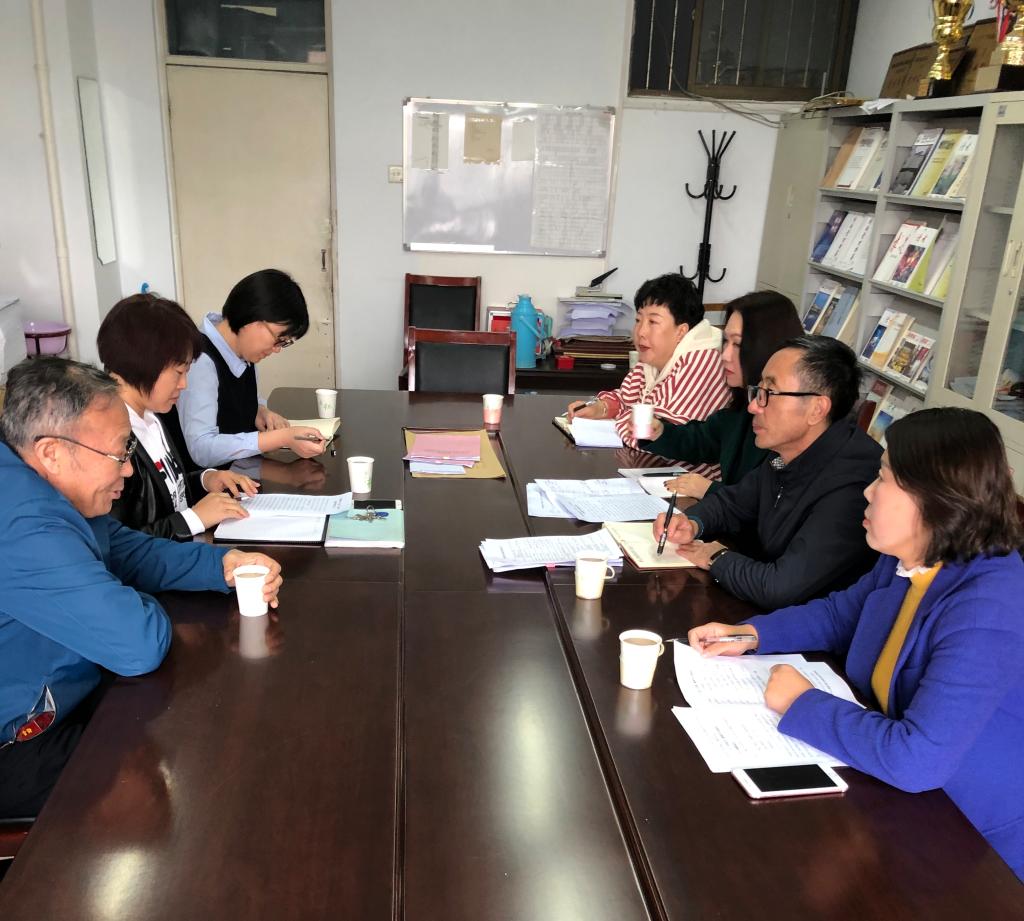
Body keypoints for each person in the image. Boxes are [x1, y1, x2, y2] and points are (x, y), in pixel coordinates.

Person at [689, 408, 1024, 881]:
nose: (868, 491)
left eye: (883, 478)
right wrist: (750, 635)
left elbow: (918, 760)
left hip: (970, 843)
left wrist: (802, 703)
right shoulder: (910, 556)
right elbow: (841, 614)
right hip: (891, 794)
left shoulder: (989, 606)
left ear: (933, 498)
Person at [0, 357, 282, 819]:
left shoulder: (47, 485)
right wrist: (114, 594)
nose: (129, 470)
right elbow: (138, 643)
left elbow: (127, 550)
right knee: (185, 759)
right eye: (118, 454)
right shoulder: (22, 524)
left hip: (70, 688)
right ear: (52, 452)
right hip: (19, 741)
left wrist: (222, 565)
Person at [654, 335, 881, 609]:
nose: (753, 406)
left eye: (768, 394)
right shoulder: (786, 454)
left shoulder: (854, 483)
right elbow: (733, 503)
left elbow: (780, 587)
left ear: (817, 409)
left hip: (811, 627)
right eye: (757, 391)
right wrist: (692, 523)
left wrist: (717, 557)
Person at [98, 293, 259, 539]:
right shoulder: (109, 441)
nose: (184, 384)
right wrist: (194, 518)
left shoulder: (151, 417)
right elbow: (121, 544)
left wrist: (206, 479)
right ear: (146, 364)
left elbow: (168, 493)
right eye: (179, 372)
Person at [639, 290, 803, 499]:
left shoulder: (790, 420)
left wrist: (709, 489)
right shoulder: (742, 407)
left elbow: (772, 500)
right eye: (725, 342)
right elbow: (702, 441)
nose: (724, 355)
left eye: (738, 344)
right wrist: (660, 432)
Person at [175, 268, 327, 468]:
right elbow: (201, 449)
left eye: (285, 343)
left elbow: (237, 400)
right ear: (253, 320)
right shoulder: (199, 360)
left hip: (242, 473)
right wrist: (281, 438)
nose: (277, 349)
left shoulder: (243, 350)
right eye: (279, 339)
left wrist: (260, 411)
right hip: (209, 482)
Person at [566, 273, 730, 448]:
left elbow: (651, 435)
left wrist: (624, 417)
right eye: (638, 320)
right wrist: (601, 408)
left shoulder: (702, 360)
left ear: (681, 331)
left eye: (653, 321)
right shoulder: (654, 355)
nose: (641, 332)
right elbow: (626, 398)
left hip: (686, 465)